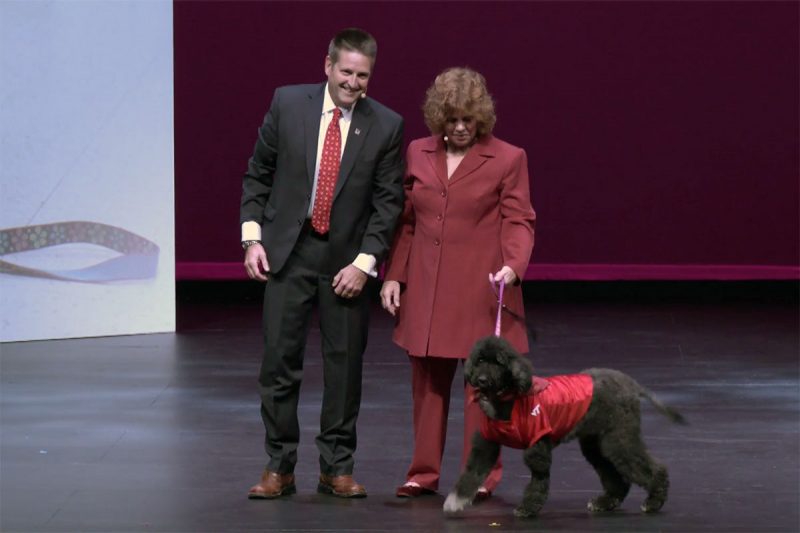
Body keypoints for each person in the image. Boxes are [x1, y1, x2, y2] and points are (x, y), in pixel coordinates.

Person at [240, 28, 404, 500]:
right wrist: (252, 239)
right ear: (328, 66)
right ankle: (279, 465)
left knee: (345, 368)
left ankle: (337, 467)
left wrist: (366, 263)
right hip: (287, 254)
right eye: (346, 72)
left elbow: (387, 203)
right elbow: (258, 174)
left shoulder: (386, 125)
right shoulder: (288, 104)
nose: (353, 83)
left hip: (345, 263)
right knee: (278, 364)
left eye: (363, 75)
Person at [380, 67, 535, 500]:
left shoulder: (507, 157)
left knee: (480, 386)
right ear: (439, 119)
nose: (461, 127)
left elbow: (518, 219)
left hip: (479, 288)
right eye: (452, 120)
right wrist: (394, 275)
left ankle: (480, 476)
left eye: (468, 119)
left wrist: (513, 265)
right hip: (427, 288)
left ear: (481, 117)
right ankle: (423, 474)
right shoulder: (417, 152)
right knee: (427, 385)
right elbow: (406, 223)